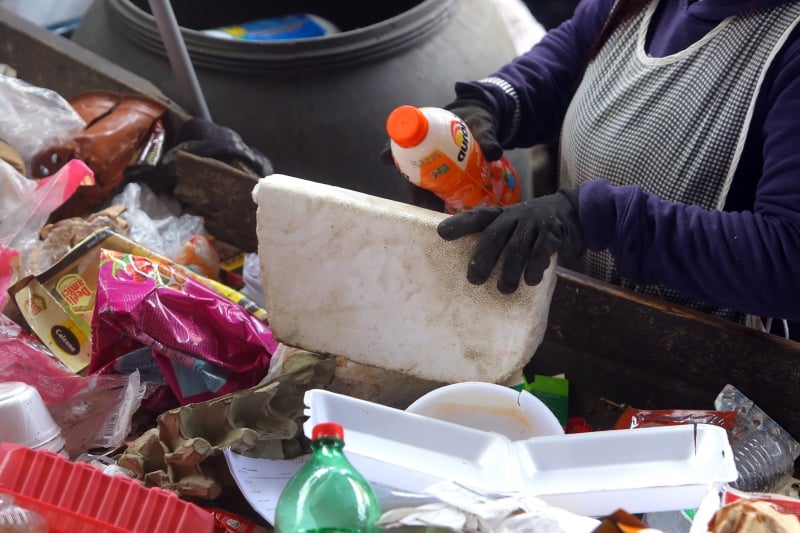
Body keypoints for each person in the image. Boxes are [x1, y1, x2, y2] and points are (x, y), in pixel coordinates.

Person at [428, 0, 800, 335]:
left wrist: (601, 217)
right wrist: (488, 106)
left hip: (706, 366)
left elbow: (789, 262)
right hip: (587, 314)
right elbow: (568, 58)